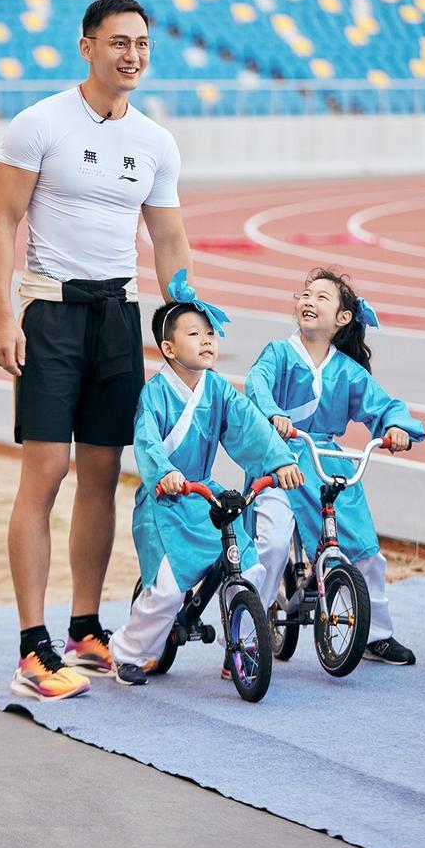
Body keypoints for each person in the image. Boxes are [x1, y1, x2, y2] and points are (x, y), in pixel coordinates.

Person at [0, 0, 192, 700]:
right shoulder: (39, 124)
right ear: (88, 47)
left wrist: (184, 312)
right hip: (50, 312)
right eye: (118, 42)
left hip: (118, 318)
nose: (132, 55)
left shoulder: (156, 141)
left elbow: (168, 237)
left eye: (142, 44)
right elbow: (1, 221)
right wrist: (2, 315)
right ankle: (31, 646)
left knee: (102, 475)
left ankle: (84, 629)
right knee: (45, 472)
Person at [108, 271, 303, 684]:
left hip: (204, 496)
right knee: (168, 589)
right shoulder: (155, 393)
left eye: (210, 333)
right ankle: (128, 653)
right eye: (194, 334)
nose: (207, 341)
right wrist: (166, 474)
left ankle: (242, 648)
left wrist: (279, 461)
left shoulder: (219, 390)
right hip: (166, 502)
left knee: (249, 569)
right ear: (168, 348)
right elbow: (147, 441)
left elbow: (250, 426)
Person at [244, 268, 425, 666]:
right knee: (272, 544)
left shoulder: (347, 370)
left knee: (364, 549)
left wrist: (395, 427)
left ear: (343, 318)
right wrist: (274, 415)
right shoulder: (278, 353)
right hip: (280, 460)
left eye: (321, 297)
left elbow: (383, 404)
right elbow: (256, 383)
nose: (309, 301)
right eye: (306, 294)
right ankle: (249, 632)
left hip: (325, 461)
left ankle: (376, 634)